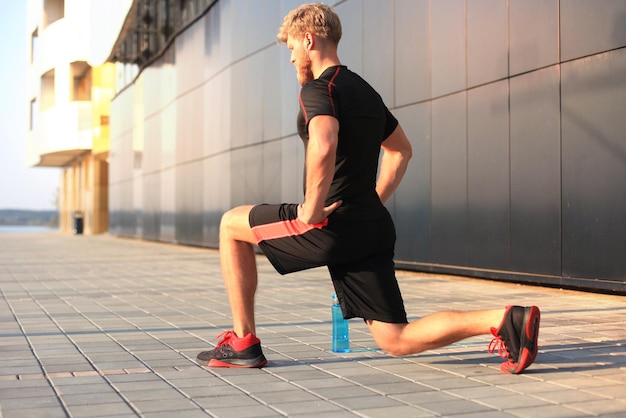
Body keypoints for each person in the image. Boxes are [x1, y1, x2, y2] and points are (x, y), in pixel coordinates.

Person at [196, 3, 540, 375]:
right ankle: (506, 320)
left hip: (331, 224)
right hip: (371, 225)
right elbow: (401, 151)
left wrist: (312, 206)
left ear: (309, 40)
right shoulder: (363, 89)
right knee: (396, 339)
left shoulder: (318, 89)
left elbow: (325, 142)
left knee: (231, 225)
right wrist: (371, 202)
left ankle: (243, 342)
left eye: (293, 48)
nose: (292, 58)